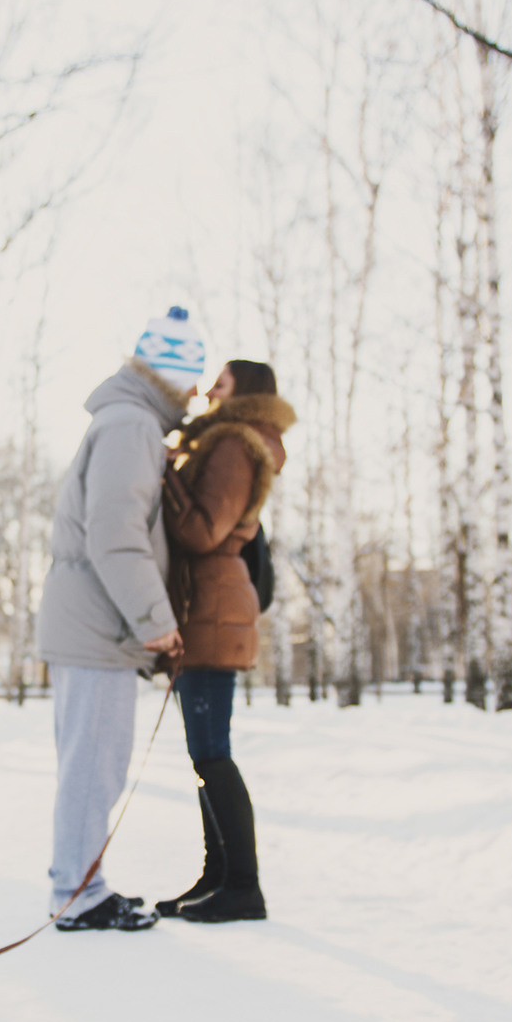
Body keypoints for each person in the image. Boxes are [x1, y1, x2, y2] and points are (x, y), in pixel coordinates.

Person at [34, 307, 205, 931]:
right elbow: (115, 531)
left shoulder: (126, 421)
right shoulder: (132, 425)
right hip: (100, 626)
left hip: (90, 623)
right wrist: (154, 619)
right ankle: (77, 896)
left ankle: (82, 885)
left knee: (92, 763)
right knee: (93, 765)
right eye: (192, 378)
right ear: (172, 377)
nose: (196, 393)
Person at [155, 359, 295, 923]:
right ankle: (218, 876)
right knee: (205, 755)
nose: (209, 391)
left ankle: (244, 886)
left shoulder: (235, 444)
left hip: (214, 609)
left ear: (247, 395)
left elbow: (201, 530)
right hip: (208, 607)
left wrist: (164, 474)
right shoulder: (225, 440)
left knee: (213, 754)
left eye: (222, 383)